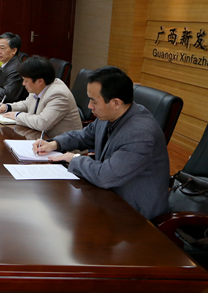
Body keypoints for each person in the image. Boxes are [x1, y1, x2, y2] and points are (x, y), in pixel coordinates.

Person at [34, 66, 170, 220]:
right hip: (108, 197)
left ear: (116, 103)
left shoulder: (140, 133)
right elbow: (84, 136)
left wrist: (74, 159)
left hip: (135, 215)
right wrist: (54, 144)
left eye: (93, 101)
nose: (89, 106)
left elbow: (105, 176)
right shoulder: (110, 115)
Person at [0, 56, 82, 138]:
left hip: (62, 146)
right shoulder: (39, 86)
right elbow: (28, 103)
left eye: (26, 81)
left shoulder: (58, 94)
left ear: (40, 81)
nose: (23, 84)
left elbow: (42, 123)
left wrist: (17, 116)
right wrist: (8, 107)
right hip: (41, 139)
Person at [0, 32, 28, 103]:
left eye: (2, 48)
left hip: (12, 107)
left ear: (14, 50)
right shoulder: (5, 63)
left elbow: (7, 96)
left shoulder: (16, 68)